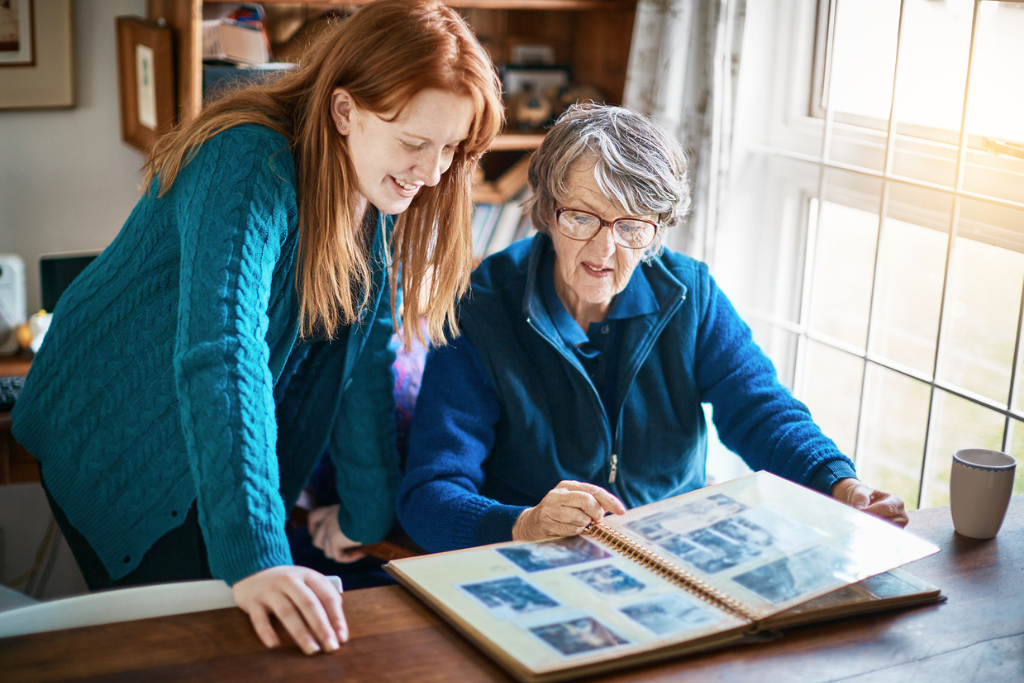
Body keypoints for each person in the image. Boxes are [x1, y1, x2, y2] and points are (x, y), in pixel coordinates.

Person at [12, 0, 501, 656]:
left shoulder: (370, 190)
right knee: (194, 650)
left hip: (201, 425)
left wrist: (364, 512)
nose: (433, 171)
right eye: (415, 142)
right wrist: (257, 557)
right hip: (113, 426)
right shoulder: (247, 159)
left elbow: (362, 356)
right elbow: (224, 347)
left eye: (450, 148)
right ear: (345, 110)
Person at [396, 104, 908, 555]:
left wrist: (840, 483)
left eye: (631, 226)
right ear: (548, 212)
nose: (604, 252)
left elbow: (761, 411)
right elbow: (428, 497)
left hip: (668, 550)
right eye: (582, 217)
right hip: (537, 557)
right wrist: (524, 523)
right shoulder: (480, 307)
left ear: (657, 230)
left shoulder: (689, 294)